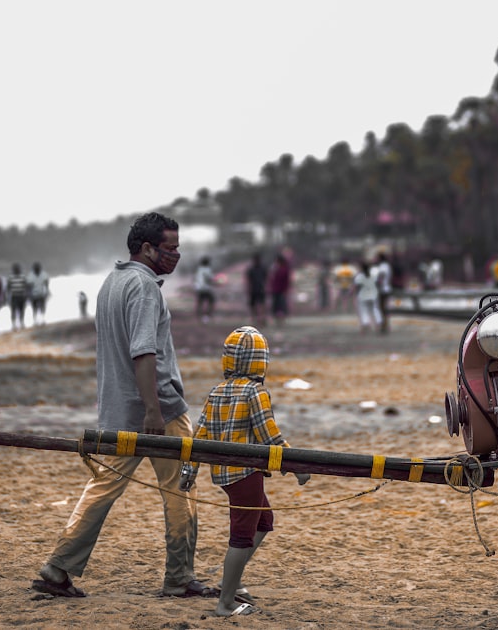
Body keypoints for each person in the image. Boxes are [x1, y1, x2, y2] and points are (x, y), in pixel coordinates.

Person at [32, 212, 211, 599]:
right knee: (181, 488)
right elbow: (143, 352)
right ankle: (179, 577)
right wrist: (153, 411)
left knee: (103, 488)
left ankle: (57, 568)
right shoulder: (145, 288)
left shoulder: (112, 283)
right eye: (170, 248)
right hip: (159, 410)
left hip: (117, 411)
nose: (175, 254)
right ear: (146, 248)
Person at [190, 325, 310, 616]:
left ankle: (231, 582)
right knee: (242, 533)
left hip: (223, 474)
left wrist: (188, 471)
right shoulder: (256, 392)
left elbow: (199, 435)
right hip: (245, 474)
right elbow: (271, 437)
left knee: (263, 522)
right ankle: (226, 601)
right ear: (261, 360)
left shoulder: (216, 391)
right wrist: (296, 467)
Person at [354, 260, 382, 333]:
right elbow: (377, 284)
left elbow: (357, 287)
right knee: (375, 309)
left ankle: (365, 324)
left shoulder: (359, 276)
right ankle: (378, 324)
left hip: (363, 295)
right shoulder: (374, 275)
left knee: (364, 311)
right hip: (373, 295)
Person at [268, 253, 292, 326]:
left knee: (281, 306)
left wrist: (286, 290)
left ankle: (281, 320)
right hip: (275, 290)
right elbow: (272, 279)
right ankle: (277, 320)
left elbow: (287, 281)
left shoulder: (284, 269)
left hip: (281, 290)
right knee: (276, 306)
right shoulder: (276, 269)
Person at [245, 253, 268, 323]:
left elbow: (266, 279)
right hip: (254, 289)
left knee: (261, 304)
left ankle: (262, 318)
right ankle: (255, 318)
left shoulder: (263, 268)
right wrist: (248, 288)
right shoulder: (252, 269)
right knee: (254, 305)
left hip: (260, 289)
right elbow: (248, 280)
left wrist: (266, 287)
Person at [374, 251, 392, 334]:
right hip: (387, 288)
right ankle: (385, 325)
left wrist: (377, 283)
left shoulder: (382, 266)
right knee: (384, 308)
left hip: (383, 289)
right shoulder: (387, 266)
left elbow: (381, 276)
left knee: (382, 308)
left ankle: (384, 326)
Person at [193, 256, 216, 323]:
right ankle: (207, 316)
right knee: (211, 301)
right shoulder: (207, 270)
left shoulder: (199, 269)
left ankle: (198, 317)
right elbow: (209, 279)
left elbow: (195, 279)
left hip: (198, 288)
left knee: (200, 302)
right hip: (205, 288)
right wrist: (217, 282)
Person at [27, 262, 51, 326]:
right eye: (35, 268)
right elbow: (29, 287)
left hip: (42, 293)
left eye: (38, 268)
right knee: (34, 308)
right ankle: (35, 321)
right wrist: (29, 295)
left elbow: (46, 284)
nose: (37, 269)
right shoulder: (30, 275)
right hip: (33, 294)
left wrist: (47, 292)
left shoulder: (44, 274)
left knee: (42, 307)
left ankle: (42, 319)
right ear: (33, 269)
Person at [7, 263, 28, 331]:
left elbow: (26, 287)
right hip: (14, 296)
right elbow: (8, 288)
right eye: (15, 269)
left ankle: (22, 323)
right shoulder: (10, 277)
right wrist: (8, 297)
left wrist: (26, 296)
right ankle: (13, 324)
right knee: (13, 311)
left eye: (18, 269)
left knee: (21, 310)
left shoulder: (23, 277)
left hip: (21, 296)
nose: (17, 270)